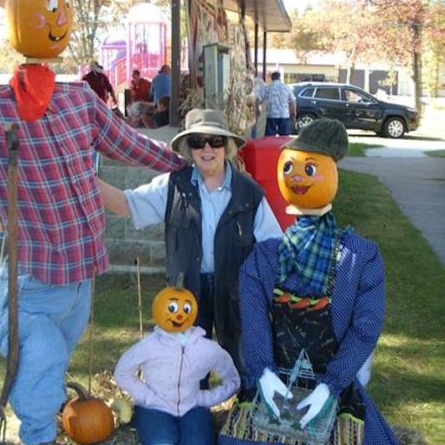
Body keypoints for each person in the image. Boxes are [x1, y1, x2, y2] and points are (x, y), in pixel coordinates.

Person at [0, 0, 187, 444]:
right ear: (15, 14)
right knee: (41, 369)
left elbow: (127, 144)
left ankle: (37, 422)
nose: (59, 15)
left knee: (49, 369)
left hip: (83, 276)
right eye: (48, 5)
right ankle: (38, 435)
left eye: (63, 2)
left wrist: (181, 164)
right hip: (31, 283)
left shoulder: (79, 99)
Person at [219, 118, 399, 445]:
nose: (298, 176)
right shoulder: (262, 260)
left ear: (331, 174)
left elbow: (365, 329)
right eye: (289, 168)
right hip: (274, 381)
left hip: (333, 385)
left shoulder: (359, 258)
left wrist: (329, 387)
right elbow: (254, 324)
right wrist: (264, 376)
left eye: (309, 169)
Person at [99, 109, 283, 380]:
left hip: (235, 289)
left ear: (227, 146)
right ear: (189, 148)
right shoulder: (173, 186)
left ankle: (247, 414)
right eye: (198, 141)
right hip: (186, 291)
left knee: (245, 362)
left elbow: (272, 246)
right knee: (187, 370)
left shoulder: (249, 193)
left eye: (215, 141)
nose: (207, 148)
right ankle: (195, 416)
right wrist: (83, 178)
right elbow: (127, 205)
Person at [114, 278, 240, 445]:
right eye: (172, 308)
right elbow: (122, 372)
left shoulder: (207, 348)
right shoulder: (149, 345)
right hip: (154, 408)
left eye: (185, 308)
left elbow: (233, 379)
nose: (179, 314)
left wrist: (205, 398)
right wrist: (148, 397)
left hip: (192, 407)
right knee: (163, 442)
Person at [262, 71, 296, 137]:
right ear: (279, 78)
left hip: (271, 115)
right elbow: (293, 101)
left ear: (272, 78)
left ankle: (270, 147)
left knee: (269, 137)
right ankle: (282, 147)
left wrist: (256, 108)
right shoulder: (286, 87)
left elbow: (260, 99)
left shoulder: (268, 88)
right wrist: (294, 112)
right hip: (284, 114)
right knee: (284, 137)